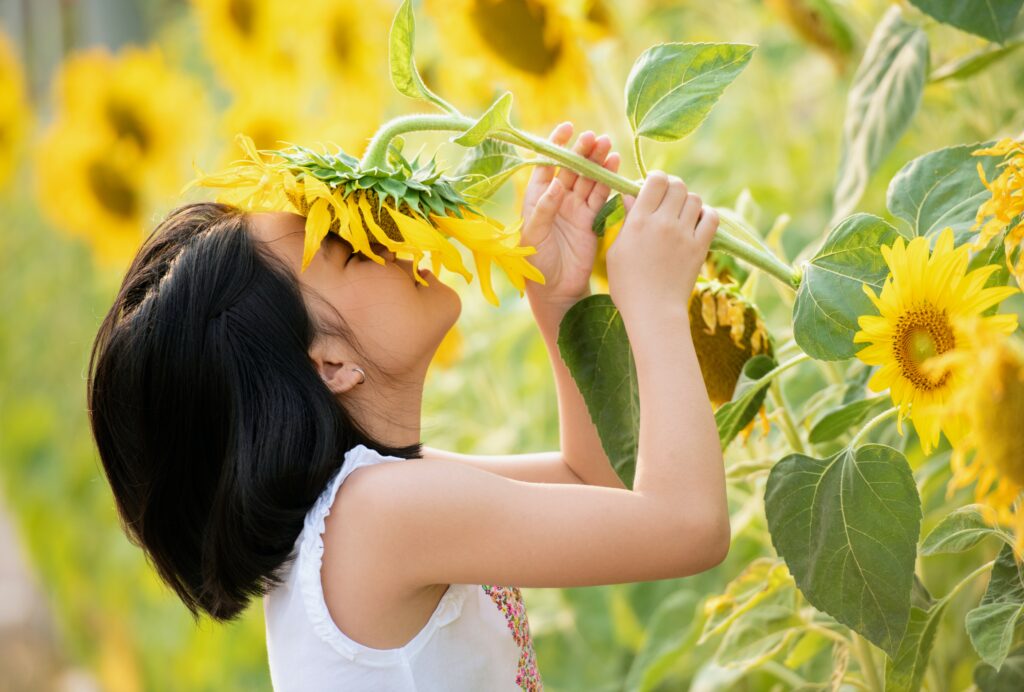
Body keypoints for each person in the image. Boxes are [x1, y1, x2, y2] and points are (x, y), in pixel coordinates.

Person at [86, 121, 725, 691]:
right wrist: (656, 305)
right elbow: (688, 528)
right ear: (330, 363)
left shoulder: (367, 503)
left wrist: (558, 300)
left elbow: (591, 482)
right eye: (353, 249)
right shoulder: (377, 516)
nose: (389, 235)